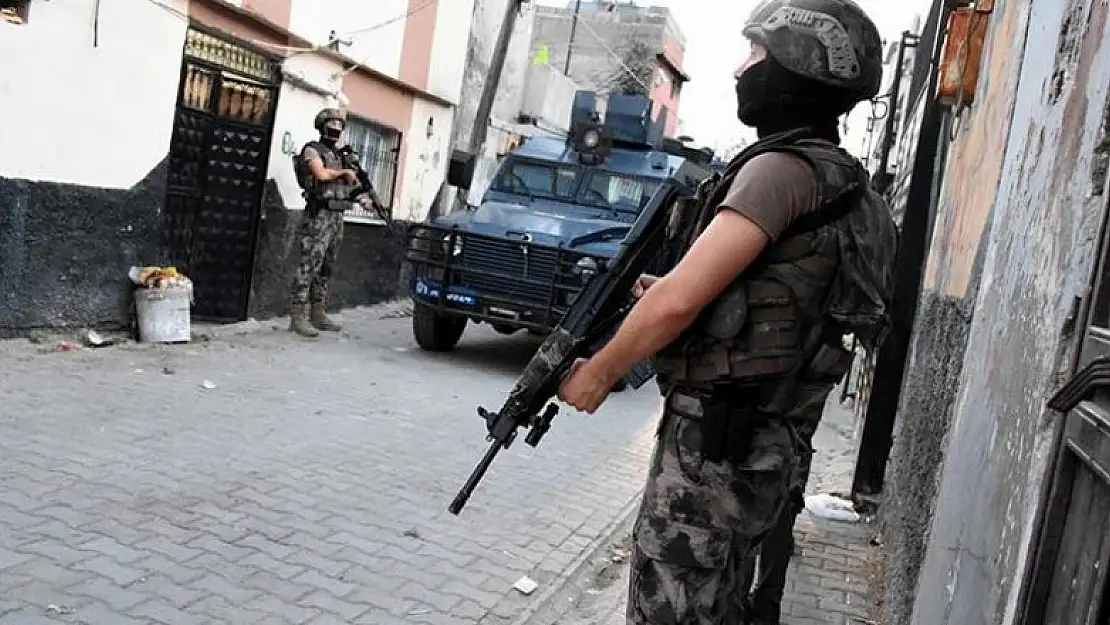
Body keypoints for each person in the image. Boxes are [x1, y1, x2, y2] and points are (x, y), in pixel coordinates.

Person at [556, 0, 898, 623]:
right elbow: (780, 298)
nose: (744, 69)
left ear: (798, 68)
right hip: (764, 441)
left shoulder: (778, 171)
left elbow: (680, 300)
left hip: (716, 453)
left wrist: (600, 372)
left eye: (758, 53)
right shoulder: (843, 180)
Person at [288, 106, 376, 338]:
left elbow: (350, 186)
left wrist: (363, 198)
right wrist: (343, 172)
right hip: (319, 215)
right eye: (332, 124)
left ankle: (318, 312)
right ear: (322, 126)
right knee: (309, 264)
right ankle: (298, 316)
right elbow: (321, 175)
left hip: (337, 217)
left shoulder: (341, 156)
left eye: (340, 125)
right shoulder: (312, 150)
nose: (336, 129)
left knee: (327, 266)